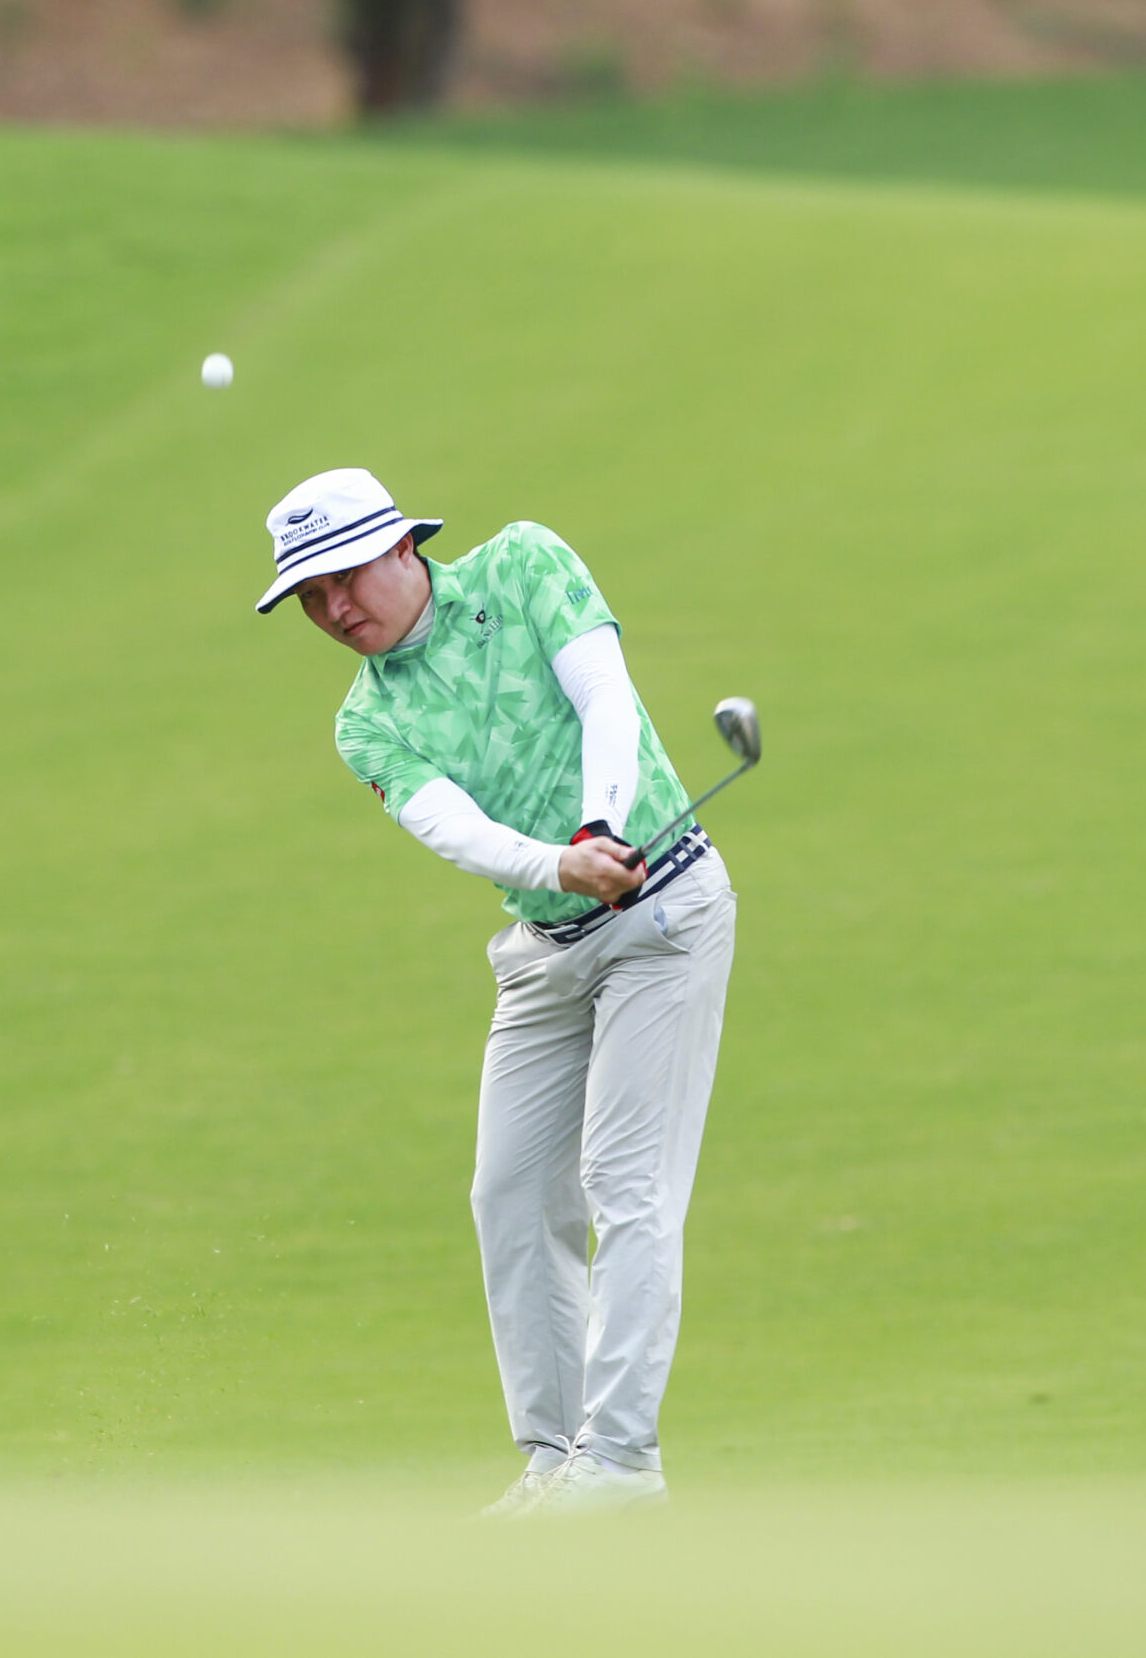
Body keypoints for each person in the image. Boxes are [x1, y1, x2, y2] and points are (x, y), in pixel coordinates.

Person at [255, 468, 737, 1518]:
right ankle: (556, 1460)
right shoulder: (365, 722)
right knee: (508, 1194)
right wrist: (562, 865)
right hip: (544, 945)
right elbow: (454, 830)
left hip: (662, 914)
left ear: (401, 547)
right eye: (310, 598)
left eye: (344, 578)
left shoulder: (522, 563)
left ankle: (620, 1466)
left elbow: (604, 696)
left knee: (625, 1183)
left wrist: (602, 826)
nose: (334, 610)